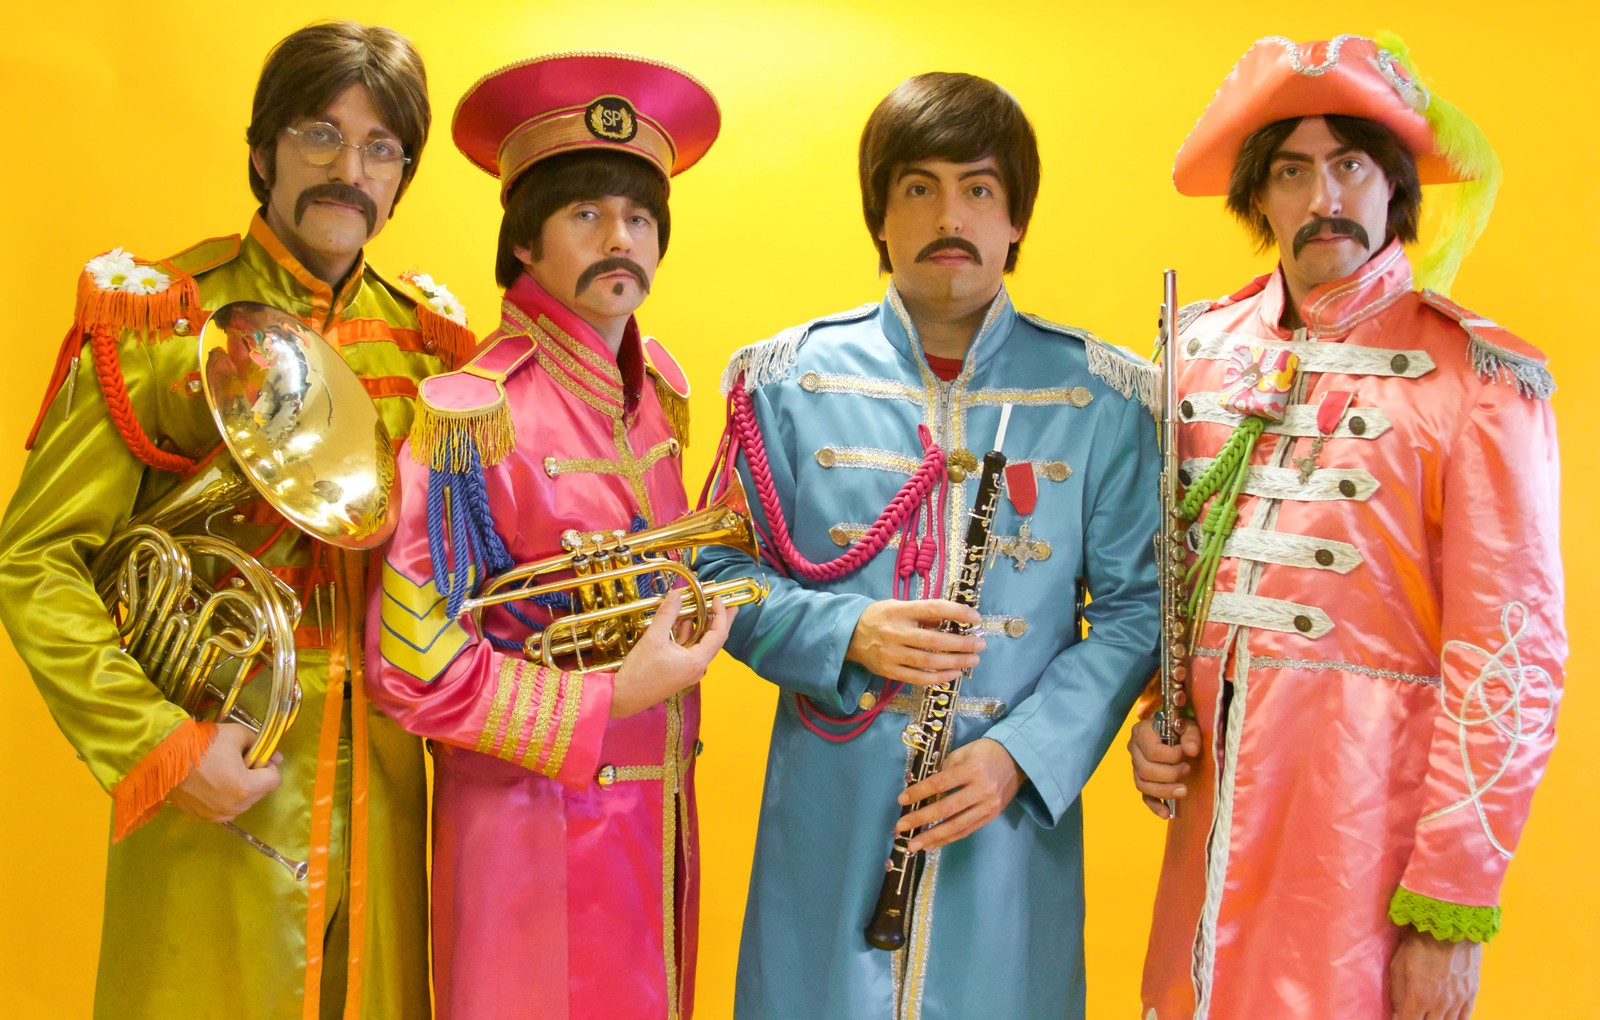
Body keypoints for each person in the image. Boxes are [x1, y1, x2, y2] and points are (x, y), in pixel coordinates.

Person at [0, 21, 472, 1020]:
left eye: (380, 148)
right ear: (261, 151)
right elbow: (35, 562)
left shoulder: (433, 345)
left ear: (401, 177)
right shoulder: (159, 319)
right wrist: (158, 747)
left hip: (387, 799)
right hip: (216, 782)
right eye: (318, 134)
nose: (349, 170)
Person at [696, 72, 1161, 1018]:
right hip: (831, 810)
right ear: (880, 216)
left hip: (1006, 821)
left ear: (1016, 218)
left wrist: (1022, 757)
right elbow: (714, 573)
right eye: (918, 187)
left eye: (979, 188)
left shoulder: (1107, 398)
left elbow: (1134, 611)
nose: (950, 215)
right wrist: (844, 631)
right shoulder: (781, 382)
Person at [1127, 33, 1565, 1020]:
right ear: (1260, 198)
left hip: (1368, 836)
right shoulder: (1194, 352)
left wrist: (1450, 902)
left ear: (1393, 188)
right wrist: (1152, 719)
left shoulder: (1480, 377)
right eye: (1290, 170)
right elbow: (1167, 583)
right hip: (1207, 834)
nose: (1321, 194)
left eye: (1350, 163)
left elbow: (1513, 654)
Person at [365, 52, 732, 1020]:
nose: (622, 240)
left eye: (640, 217)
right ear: (523, 243)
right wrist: (621, 691)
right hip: (527, 849)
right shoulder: (474, 413)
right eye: (586, 216)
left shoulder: (653, 398)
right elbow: (417, 667)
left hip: (653, 833)